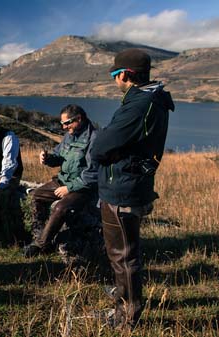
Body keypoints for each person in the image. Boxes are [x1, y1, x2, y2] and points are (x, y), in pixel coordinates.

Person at [91, 48, 174, 328]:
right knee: (124, 253)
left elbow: (101, 147)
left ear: (124, 74)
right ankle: (124, 297)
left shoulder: (139, 105)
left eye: (114, 74)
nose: (114, 79)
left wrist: (105, 144)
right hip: (128, 184)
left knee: (123, 256)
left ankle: (127, 317)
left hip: (122, 190)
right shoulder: (147, 100)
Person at [23, 104, 99, 257]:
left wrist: (69, 188)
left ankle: (41, 245)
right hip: (62, 181)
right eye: (62, 124)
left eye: (66, 123)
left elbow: (93, 173)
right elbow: (59, 157)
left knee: (60, 208)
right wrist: (48, 158)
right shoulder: (69, 135)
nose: (64, 127)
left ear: (78, 119)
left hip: (81, 188)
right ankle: (40, 234)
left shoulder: (94, 138)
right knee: (36, 195)